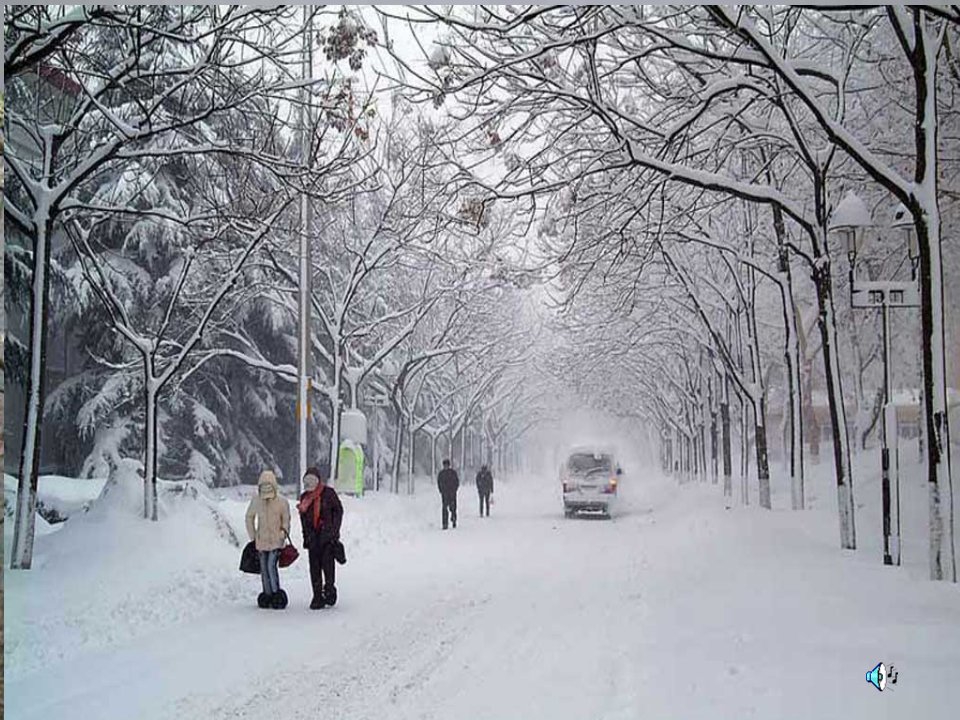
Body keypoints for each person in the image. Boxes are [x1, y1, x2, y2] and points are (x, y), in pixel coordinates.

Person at [298, 465, 344, 609]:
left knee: (328, 567)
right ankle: (317, 596)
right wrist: (307, 536)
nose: (309, 485)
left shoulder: (328, 493)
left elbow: (338, 511)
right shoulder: (304, 497)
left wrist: (332, 531)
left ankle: (329, 591)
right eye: (307, 482)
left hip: (327, 538)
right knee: (314, 568)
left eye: (312, 481)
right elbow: (303, 519)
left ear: (318, 481)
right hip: (313, 539)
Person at [245, 469, 291, 609]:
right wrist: (253, 536)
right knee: (264, 569)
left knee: (271, 566)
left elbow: (286, 520)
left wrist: (283, 534)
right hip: (261, 541)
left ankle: (276, 593)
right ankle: (267, 594)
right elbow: (249, 517)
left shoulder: (282, 502)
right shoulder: (256, 501)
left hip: (276, 541)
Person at [437, 458, 460, 530]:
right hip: (445, 494)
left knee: (453, 508)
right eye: (444, 465)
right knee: (444, 508)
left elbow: (457, 482)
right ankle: (445, 523)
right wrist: (441, 490)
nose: (445, 466)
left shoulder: (453, 473)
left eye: (447, 465)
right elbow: (439, 483)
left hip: (452, 493)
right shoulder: (441, 474)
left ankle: (453, 520)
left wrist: (454, 490)